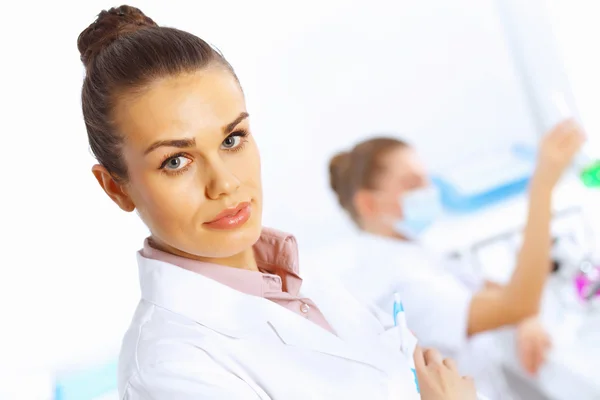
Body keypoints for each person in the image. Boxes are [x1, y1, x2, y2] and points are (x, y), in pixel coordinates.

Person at [77, 5, 479, 399]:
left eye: (232, 139)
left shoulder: (300, 279)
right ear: (117, 188)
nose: (225, 183)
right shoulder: (170, 370)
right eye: (176, 161)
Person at [328, 124, 584, 396]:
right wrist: (542, 187)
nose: (429, 191)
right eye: (413, 184)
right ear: (368, 204)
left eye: (426, 180)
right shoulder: (397, 285)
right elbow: (516, 303)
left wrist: (526, 320)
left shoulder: (409, 249)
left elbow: (489, 290)